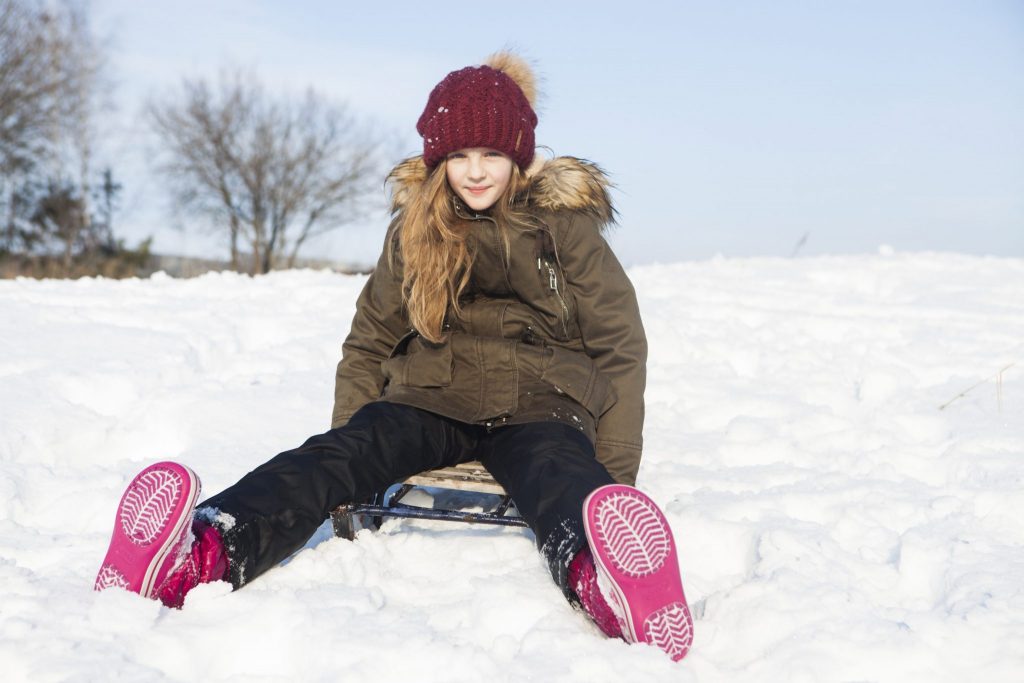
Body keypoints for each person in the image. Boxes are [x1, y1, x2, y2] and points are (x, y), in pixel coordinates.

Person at [95, 52, 694, 661]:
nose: (476, 172)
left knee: (558, 477)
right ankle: (201, 551)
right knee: (331, 457)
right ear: (438, 160)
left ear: (519, 154)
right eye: (459, 156)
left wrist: (613, 477)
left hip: (541, 403)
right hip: (429, 397)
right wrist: (349, 444)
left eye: (491, 154)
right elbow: (371, 337)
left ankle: (607, 581)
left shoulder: (565, 229)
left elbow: (619, 344)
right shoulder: (416, 229)